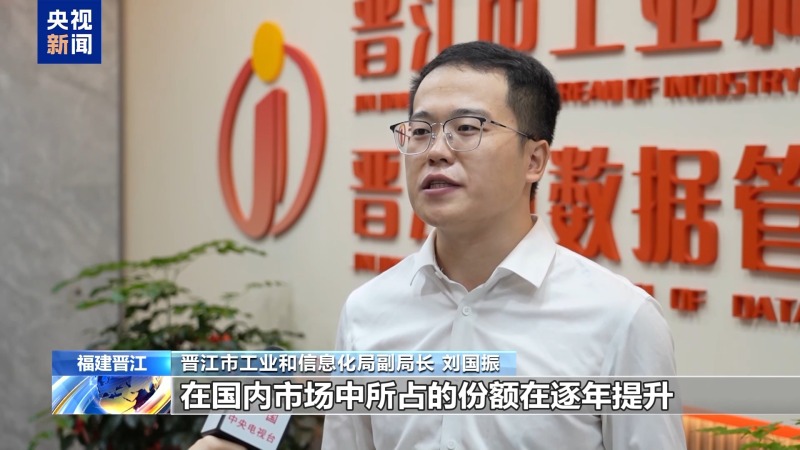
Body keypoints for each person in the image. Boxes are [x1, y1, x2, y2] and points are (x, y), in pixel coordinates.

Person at [191, 40, 685, 450]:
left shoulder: (620, 319)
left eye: (467, 129)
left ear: (534, 160)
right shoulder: (368, 311)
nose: (436, 151)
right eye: (421, 131)